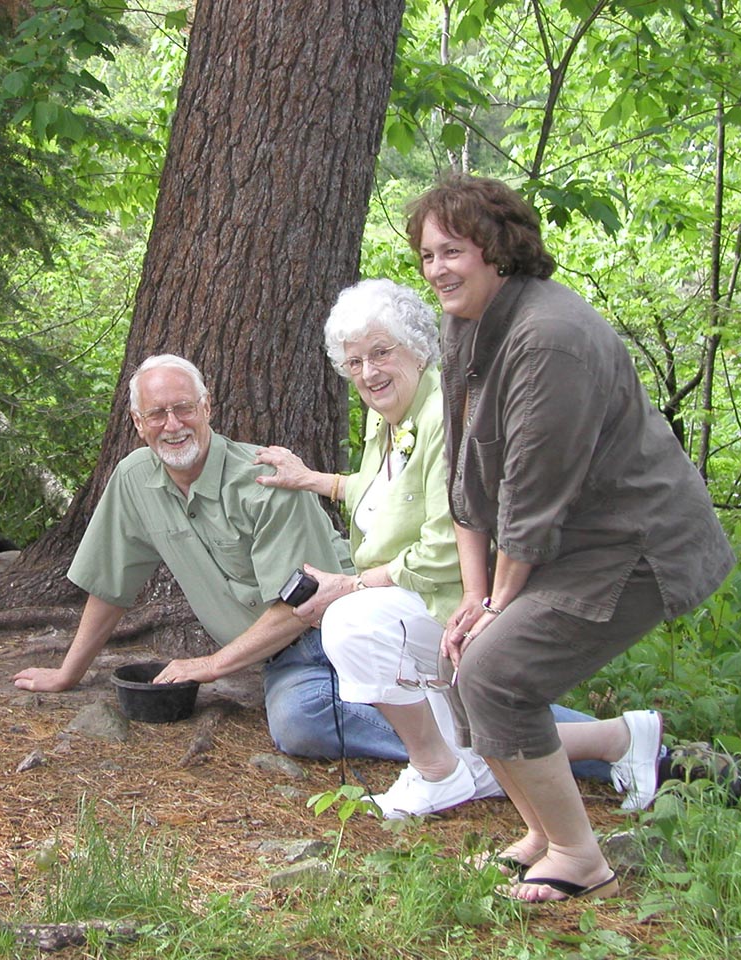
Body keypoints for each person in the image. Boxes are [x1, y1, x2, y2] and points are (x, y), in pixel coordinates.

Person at [406, 173, 734, 902]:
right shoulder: (466, 324)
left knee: (496, 669)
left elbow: (529, 502)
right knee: (466, 660)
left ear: (498, 248)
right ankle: (539, 834)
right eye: (426, 255)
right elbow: (467, 477)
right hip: (560, 540)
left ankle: (582, 858)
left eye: (452, 251)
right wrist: (472, 595)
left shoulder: (550, 339)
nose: (437, 270)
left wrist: (494, 608)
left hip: (635, 544)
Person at [254, 279, 662, 817]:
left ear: (418, 347)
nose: (369, 373)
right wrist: (315, 480)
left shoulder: (444, 415)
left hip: (461, 603)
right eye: (355, 362)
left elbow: (446, 547)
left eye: (381, 353)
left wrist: (348, 587)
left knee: (352, 623)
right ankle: (622, 739)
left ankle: (434, 771)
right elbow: (386, 493)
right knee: (474, 751)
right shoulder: (389, 413)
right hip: (425, 600)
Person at [12, 353, 410, 760]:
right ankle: (426, 739)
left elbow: (301, 605)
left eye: (184, 408)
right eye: (157, 414)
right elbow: (111, 585)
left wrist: (211, 665)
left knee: (408, 685)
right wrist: (68, 674)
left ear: (206, 407)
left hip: (345, 628)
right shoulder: (133, 480)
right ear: (137, 422)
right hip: (286, 660)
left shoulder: (266, 480)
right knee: (298, 724)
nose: (173, 425)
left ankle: (444, 745)